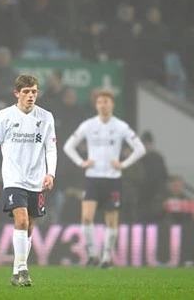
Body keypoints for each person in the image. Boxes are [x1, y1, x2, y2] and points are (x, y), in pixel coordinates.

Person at [0, 74, 57, 286]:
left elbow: (51, 147)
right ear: (16, 93)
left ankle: (17, 271)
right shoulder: (3, 116)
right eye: (26, 91)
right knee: (22, 220)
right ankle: (24, 269)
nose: (30, 95)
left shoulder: (46, 117)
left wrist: (50, 173)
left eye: (34, 91)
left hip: (36, 180)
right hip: (13, 179)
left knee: (30, 226)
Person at [63, 89, 146, 269]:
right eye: (100, 102)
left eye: (107, 102)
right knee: (86, 217)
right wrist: (81, 162)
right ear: (96, 105)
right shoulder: (88, 125)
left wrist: (123, 164)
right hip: (92, 178)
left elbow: (140, 149)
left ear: (112, 104)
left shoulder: (121, 126)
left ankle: (107, 257)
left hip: (113, 179)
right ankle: (93, 254)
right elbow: (68, 146)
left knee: (111, 220)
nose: (103, 105)